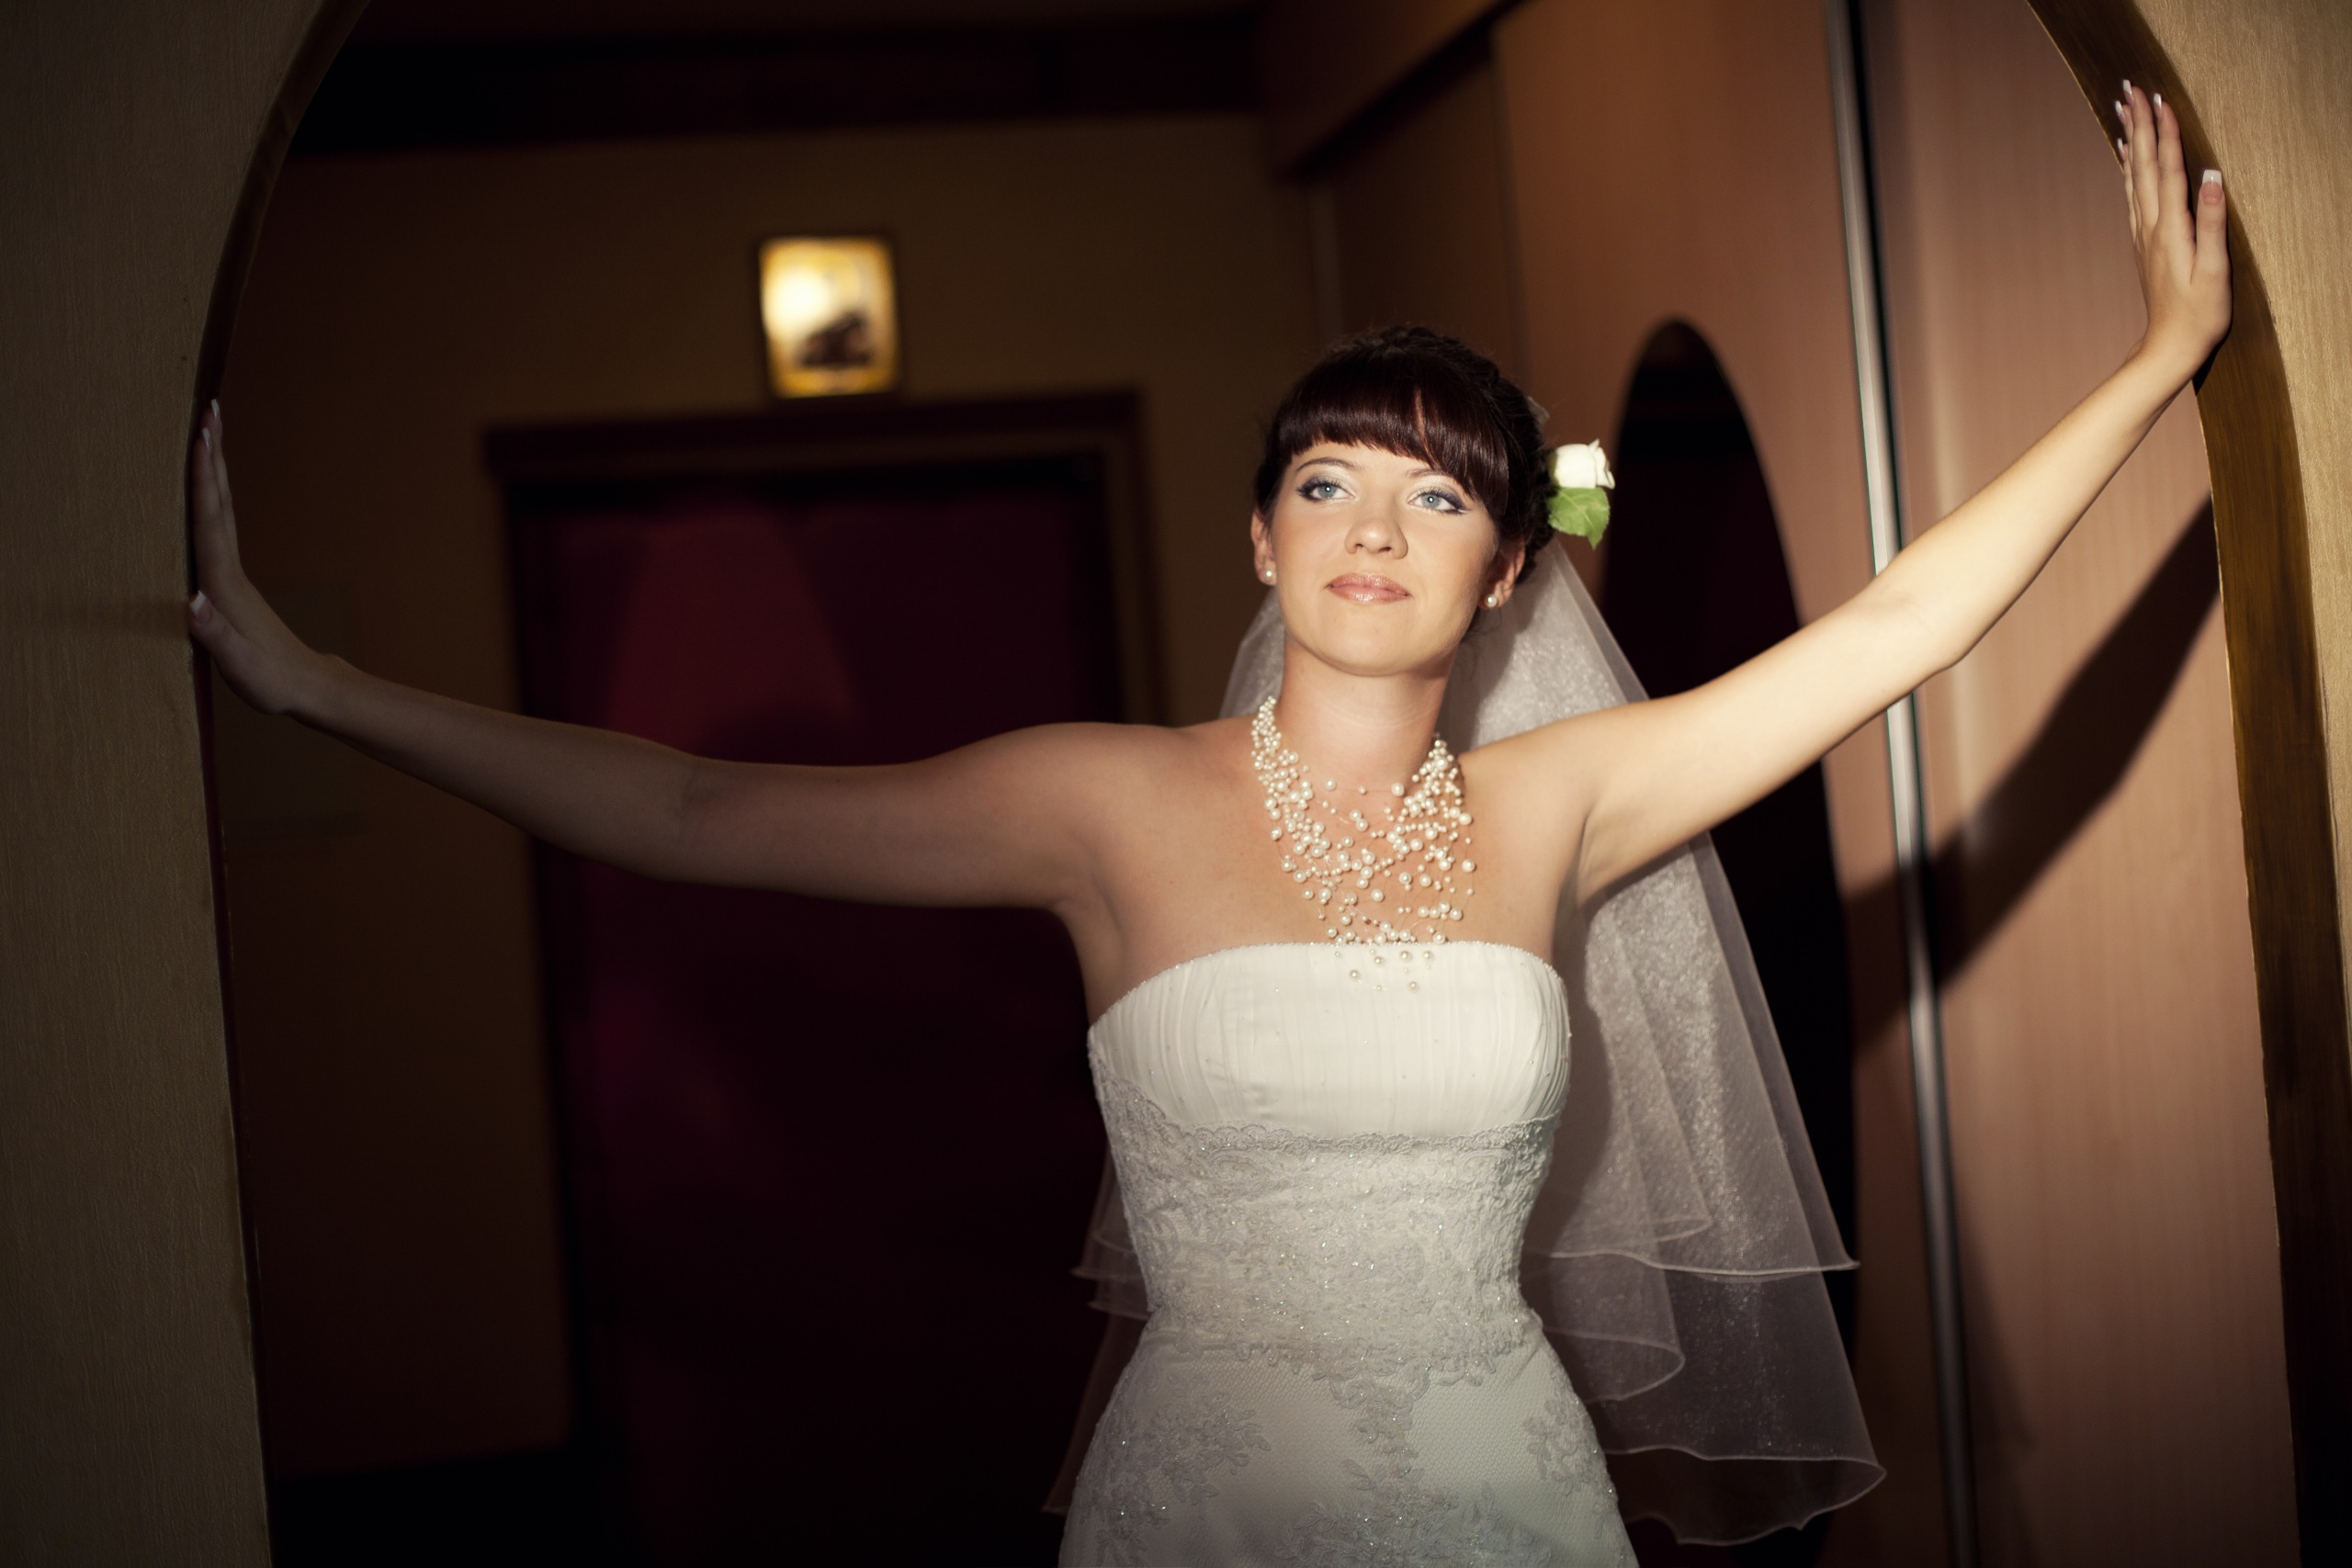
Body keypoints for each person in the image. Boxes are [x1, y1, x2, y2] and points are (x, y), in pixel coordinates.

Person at [188, 88, 2225, 1565]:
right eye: (1330, 481)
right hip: (1204, 1500)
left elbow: (1895, 627)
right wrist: (320, 685)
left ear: (1506, 571)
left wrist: (2159, 357)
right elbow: (694, 803)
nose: (1374, 527)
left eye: (1437, 496)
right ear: (1261, 535)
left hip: (1503, 1487)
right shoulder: (1104, 801)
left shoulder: (1565, 800)